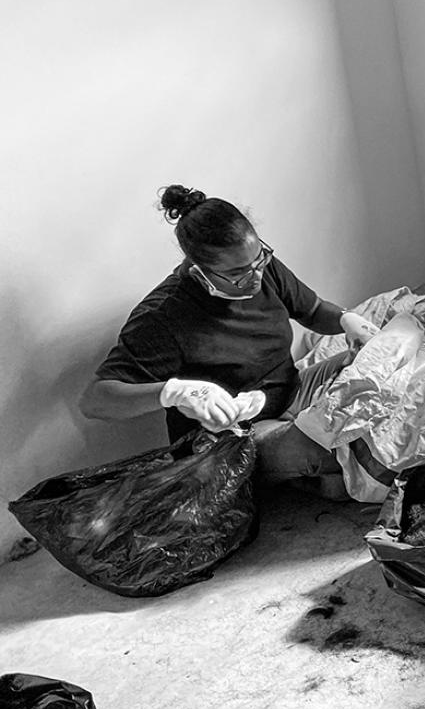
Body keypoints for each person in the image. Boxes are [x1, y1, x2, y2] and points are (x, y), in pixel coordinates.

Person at [79, 185, 380, 491]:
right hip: (235, 437)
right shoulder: (163, 316)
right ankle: (314, 469)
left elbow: (313, 311)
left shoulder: (259, 267)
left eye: (259, 261)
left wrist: (347, 320)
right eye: (238, 273)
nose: (256, 278)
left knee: (383, 364)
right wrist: (175, 392)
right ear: (199, 271)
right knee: (334, 449)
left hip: (293, 391)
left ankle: (320, 471)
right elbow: (96, 401)